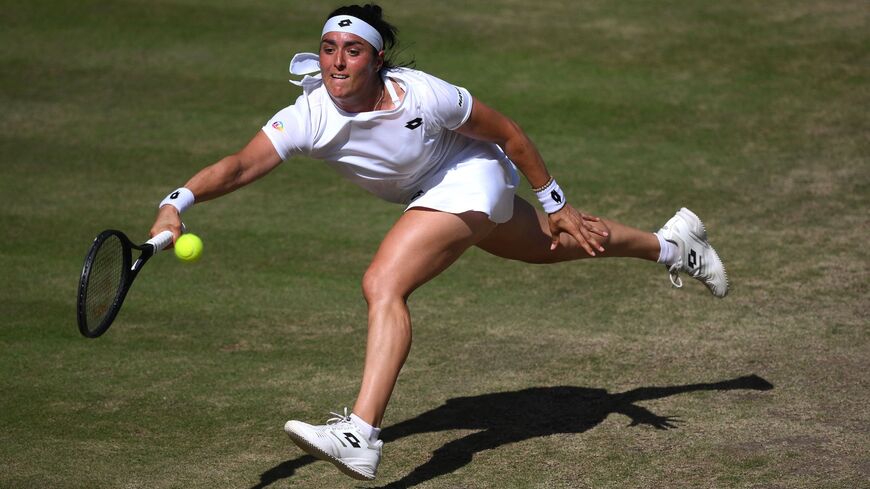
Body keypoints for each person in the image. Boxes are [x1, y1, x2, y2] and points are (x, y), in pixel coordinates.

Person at [150, 4, 728, 481]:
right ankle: (674, 244)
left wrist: (556, 202)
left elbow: (506, 132)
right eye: (328, 49)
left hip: (473, 173)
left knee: (383, 282)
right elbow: (239, 166)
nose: (336, 62)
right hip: (436, 191)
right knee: (552, 247)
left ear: (377, 60)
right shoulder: (307, 116)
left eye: (352, 51)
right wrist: (176, 203)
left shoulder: (425, 95)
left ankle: (362, 432)